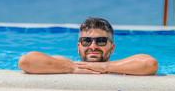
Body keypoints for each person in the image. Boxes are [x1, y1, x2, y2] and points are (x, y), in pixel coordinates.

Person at [18, 17, 158, 75]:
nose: (93, 46)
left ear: (112, 47)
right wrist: (72, 68)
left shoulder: (120, 67)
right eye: (86, 41)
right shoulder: (66, 64)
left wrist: (105, 67)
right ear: (78, 46)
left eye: (101, 40)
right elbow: (26, 61)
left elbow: (150, 64)